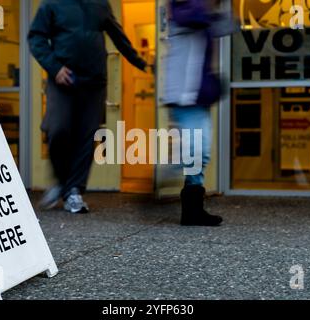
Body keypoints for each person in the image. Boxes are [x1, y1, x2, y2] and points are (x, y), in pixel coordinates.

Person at [28, 0, 148, 213]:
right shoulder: (52, 4)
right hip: (62, 79)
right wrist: (54, 67)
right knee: (58, 129)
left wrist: (140, 62)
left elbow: (117, 35)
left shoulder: (100, 4)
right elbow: (36, 37)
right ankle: (61, 182)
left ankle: (74, 190)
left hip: (94, 82)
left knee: (86, 136)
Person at [163, 0, 236, 226]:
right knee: (198, 151)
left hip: (197, 96)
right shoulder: (183, 9)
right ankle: (169, 171)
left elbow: (229, 27)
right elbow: (194, 16)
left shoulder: (199, 13)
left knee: (200, 152)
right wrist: (213, 12)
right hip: (184, 95)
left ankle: (192, 210)